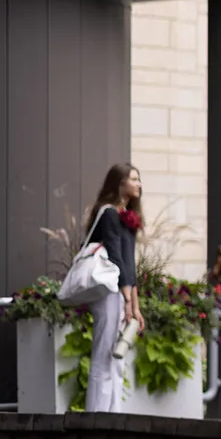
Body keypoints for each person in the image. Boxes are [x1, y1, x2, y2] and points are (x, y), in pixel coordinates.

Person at [83, 163, 145, 413]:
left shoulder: (126, 217)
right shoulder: (108, 213)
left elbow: (130, 265)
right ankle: (96, 415)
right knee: (104, 353)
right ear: (119, 184)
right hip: (111, 290)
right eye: (133, 179)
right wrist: (128, 300)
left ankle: (113, 413)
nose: (139, 184)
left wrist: (136, 307)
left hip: (123, 292)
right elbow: (116, 258)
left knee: (116, 357)